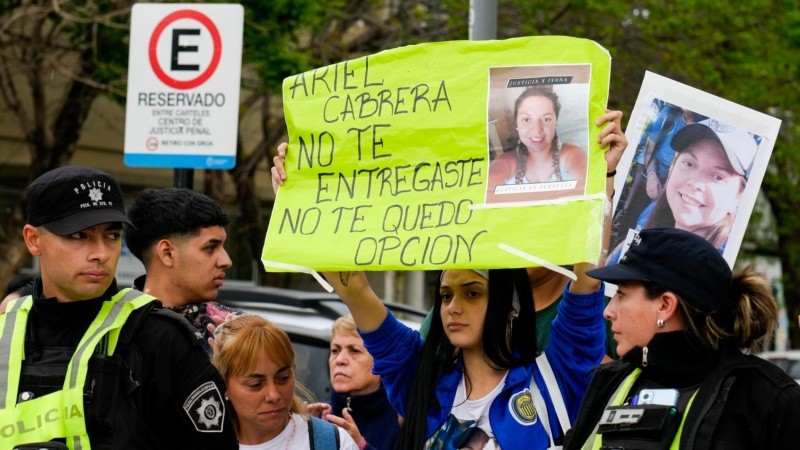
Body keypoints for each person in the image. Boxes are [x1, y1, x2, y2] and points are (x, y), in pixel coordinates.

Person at [0, 165, 238, 449]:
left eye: (111, 235)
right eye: (79, 236)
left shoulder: (161, 339)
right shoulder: (6, 331)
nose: (101, 253)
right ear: (33, 240)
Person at [564, 227, 800, 449]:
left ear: (665, 305)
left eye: (622, 295)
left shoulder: (768, 400)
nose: (609, 311)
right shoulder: (610, 380)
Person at [607, 119, 757, 264]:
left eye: (718, 177)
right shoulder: (652, 216)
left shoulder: (714, 275)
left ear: (739, 196)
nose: (694, 183)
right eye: (689, 163)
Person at [211, 313, 359, 449]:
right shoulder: (201, 442)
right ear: (224, 385)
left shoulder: (333, 442)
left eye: (283, 378)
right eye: (255, 385)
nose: (273, 395)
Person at [124, 187, 237, 352]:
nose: (226, 261)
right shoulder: (113, 329)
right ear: (167, 253)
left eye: (223, 247)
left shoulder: (235, 331)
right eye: (210, 247)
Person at [306, 314, 402, 450]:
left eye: (354, 351)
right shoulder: (316, 417)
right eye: (335, 350)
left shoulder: (401, 421)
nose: (340, 360)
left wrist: (360, 446)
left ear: (382, 360)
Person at [487, 86, 587, 187]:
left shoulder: (572, 156)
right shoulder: (505, 163)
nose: (537, 129)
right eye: (526, 119)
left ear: (555, 121)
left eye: (546, 119)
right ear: (516, 123)